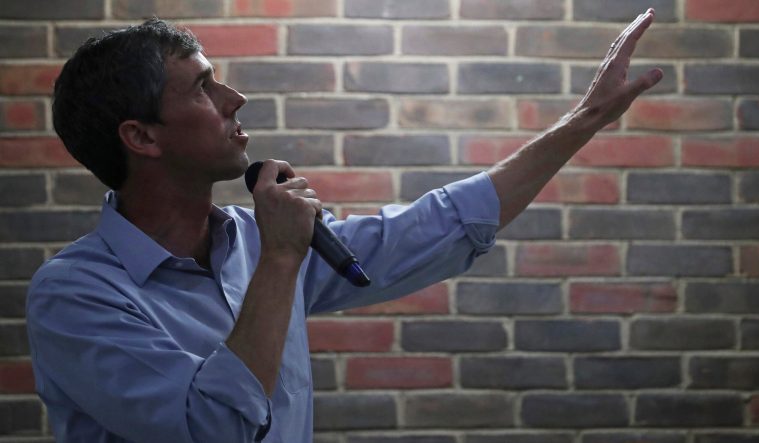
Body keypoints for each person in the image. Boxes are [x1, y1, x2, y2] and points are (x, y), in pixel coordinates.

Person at [26, 9, 663, 443]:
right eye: (203, 87)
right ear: (140, 136)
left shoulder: (258, 241)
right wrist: (280, 261)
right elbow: (216, 427)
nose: (235, 100)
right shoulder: (76, 295)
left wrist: (584, 120)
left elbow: (436, 227)